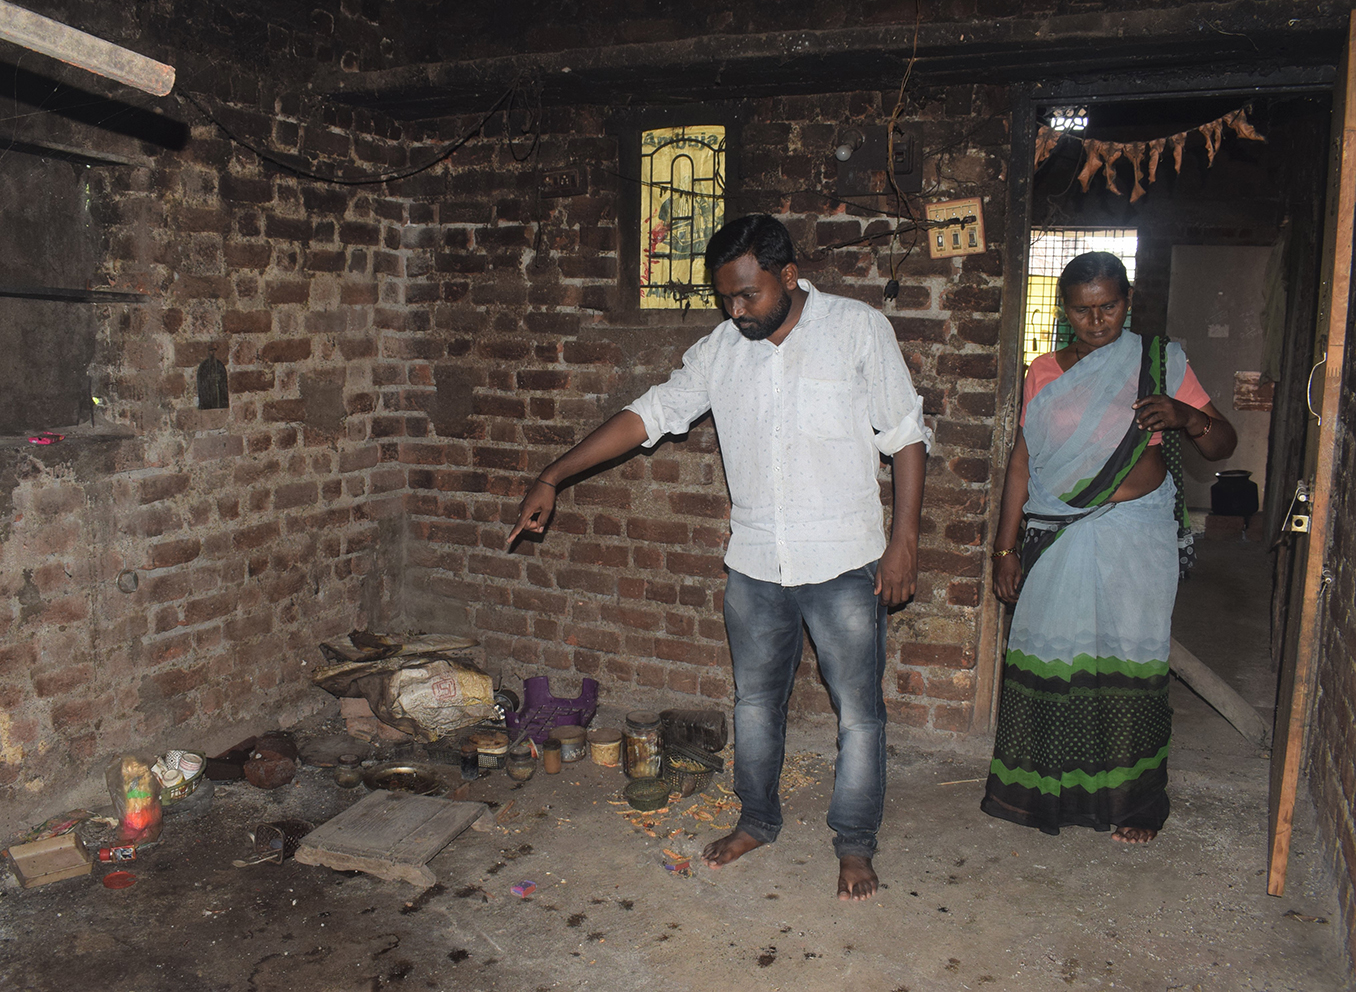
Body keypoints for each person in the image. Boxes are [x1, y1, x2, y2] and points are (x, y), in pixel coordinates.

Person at [506, 213, 930, 900]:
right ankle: (757, 820)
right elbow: (649, 415)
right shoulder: (722, 349)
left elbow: (906, 435)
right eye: (725, 298)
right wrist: (554, 474)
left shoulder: (857, 330)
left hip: (846, 561)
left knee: (859, 713)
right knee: (756, 705)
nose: (736, 311)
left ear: (788, 277)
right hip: (757, 565)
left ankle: (854, 844)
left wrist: (905, 541)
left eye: (749, 295)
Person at [984, 251, 1237, 844]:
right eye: (1083, 310)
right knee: (1057, 661)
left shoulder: (1158, 361)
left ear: (1127, 301)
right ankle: (1049, 794)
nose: (1098, 321)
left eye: (1109, 307)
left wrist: (1185, 417)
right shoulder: (1043, 371)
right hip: (1054, 536)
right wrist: (1004, 548)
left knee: (1128, 660)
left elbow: (1222, 443)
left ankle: (1134, 803)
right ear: (1064, 311)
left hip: (1133, 537)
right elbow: (1022, 462)